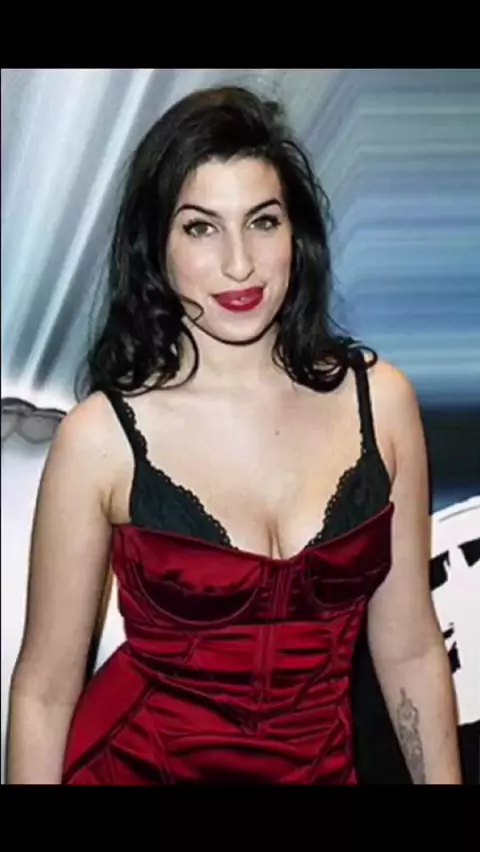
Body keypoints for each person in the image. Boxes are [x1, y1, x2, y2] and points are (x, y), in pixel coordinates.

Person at [6, 85, 462, 785]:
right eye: (201, 228)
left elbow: (408, 648)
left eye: (262, 221)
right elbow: (44, 693)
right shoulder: (102, 438)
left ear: (297, 235)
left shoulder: (383, 403)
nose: (240, 264)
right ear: (155, 248)